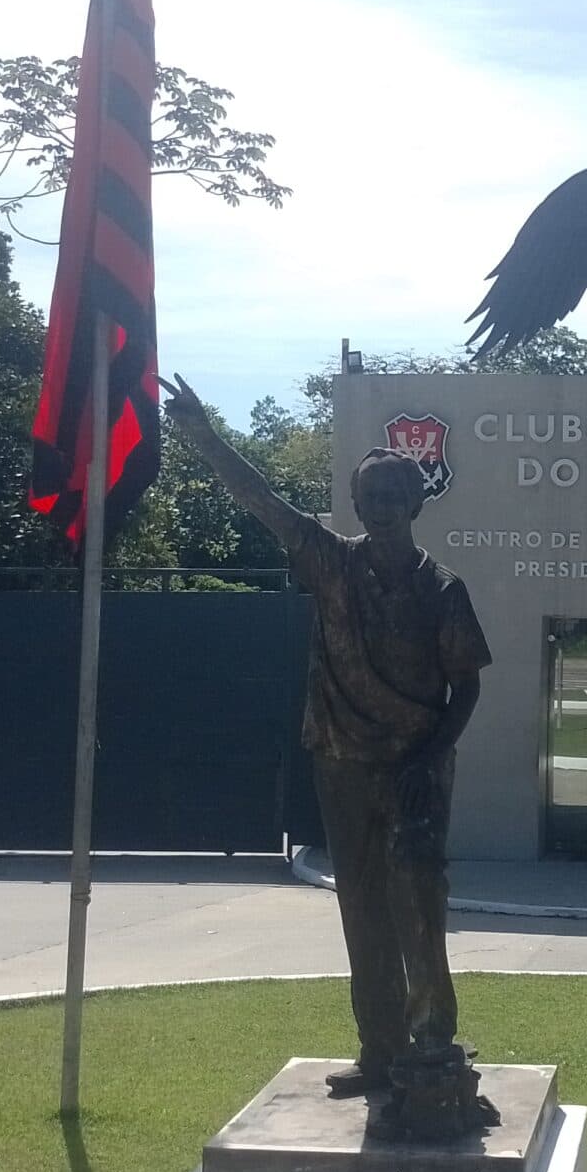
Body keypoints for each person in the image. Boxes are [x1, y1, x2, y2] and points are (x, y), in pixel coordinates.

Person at [163, 375, 490, 1099]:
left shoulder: (443, 589)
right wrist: (206, 437)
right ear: (358, 505)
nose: (380, 510)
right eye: (369, 499)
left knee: (419, 901)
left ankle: (433, 1044)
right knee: (362, 907)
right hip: (341, 762)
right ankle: (379, 1050)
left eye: (392, 498)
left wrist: (429, 759)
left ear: (416, 502)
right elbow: (263, 505)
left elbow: (465, 685)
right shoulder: (332, 563)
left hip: (415, 769)